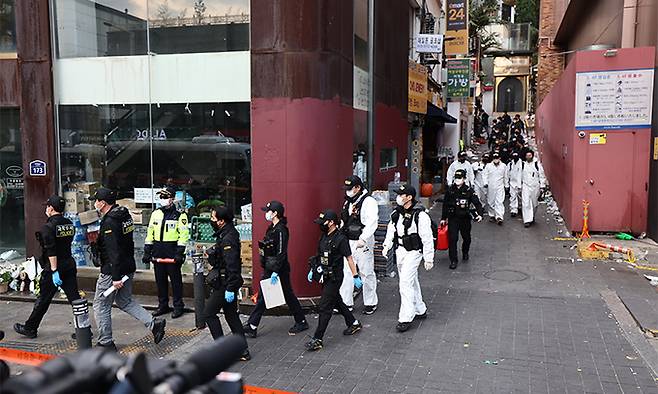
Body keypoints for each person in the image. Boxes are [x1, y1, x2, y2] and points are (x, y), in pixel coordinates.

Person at [91, 188, 166, 351]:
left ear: (102, 203)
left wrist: (116, 277)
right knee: (124, 301)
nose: (94, 203)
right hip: (128, 266)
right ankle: (154, 324)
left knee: (100, 305)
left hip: (113, 271)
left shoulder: (110, 222)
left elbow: (113, 251)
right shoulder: (124, 215)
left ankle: (106, 342)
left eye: (96, 200)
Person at [14, 196, 81, 338]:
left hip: (54, 268)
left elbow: (51, 251)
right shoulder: (69, 223)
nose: (46, 209)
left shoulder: (48, 227)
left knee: (43, 299)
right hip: (69, 264)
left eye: (47, 206)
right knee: (75, 299)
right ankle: (84, 329)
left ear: (51, 208)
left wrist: (54, 270)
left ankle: (30, 328)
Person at [243, 201, 308, 337]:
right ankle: (253, 325)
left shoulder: (281, 230)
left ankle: (253, 325)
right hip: (270, 266)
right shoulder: (272, 228)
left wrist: (275, 271)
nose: (266, 213)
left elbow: (281, 252)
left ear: (275, 213)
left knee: (282, 295)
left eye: (268, 211)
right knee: (267, 295)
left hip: (278, 269)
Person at [305, 210, 363, 351]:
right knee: (336, 300)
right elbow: (319, 255)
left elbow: (349, 258)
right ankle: (353, 322)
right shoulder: (324, 236)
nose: (321, 225)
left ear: (331, 223)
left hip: (335, 277)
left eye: (323, 222)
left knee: (325, 306)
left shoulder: (341, 239)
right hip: (324, 275)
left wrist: (355, 276)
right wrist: (313, 270)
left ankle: (318, 338)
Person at [382, 185, 434, 333]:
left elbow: (427, 238)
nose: (398, 197)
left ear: (409, 197)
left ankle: (406, 317)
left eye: (401, 194)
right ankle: (420, 308)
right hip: (401, 251)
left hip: (414, 252)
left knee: (405, 282)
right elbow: (391, 230)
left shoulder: (420, 215)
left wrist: (428, 258)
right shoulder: (396, 213)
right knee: (411, 281)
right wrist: (386, 246)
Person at [203, 206, 251, 361]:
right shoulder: (226, 233)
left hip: (225, 283)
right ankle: (242, 350)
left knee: (209, 314)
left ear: (222, 221)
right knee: (231, 315)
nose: (211, 220)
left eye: (213, 218)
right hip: (226, 282)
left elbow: (232, 265)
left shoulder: (228, 238)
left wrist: (230, 288)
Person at [144, 186, 190, 319]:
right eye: (161, 197)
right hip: (158, 251)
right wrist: (147, 251)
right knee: (160, 281)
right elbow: (150, 232)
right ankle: (163, 305)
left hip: (172, 251)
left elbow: (184, 235)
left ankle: (178, 306)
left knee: (176, 282)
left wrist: (179, 253)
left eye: (165, 197)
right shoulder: (155, 213)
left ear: (173, 198)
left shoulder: (180, 215)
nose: (162, 200)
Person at [339, 175, 379, 315]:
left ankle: (370, 302)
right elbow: (344, 220)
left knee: (366, 271)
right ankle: (346, 302)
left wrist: (363, 238)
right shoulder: (348, 202)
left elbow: (372, 221)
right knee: (346, 272)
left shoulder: (368, 202)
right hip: (348, 240)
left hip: (362, 241)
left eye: (350, 189)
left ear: (358, 188)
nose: (348, 191)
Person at [440, 170, 483, 269]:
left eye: (460, 178)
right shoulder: (450, 190)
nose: (457, 180)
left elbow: (477, 203)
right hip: (453, 218)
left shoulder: (468, 190)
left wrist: (480, 214)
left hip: (465, 218)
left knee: (466, 238)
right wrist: (443, 218)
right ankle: (453, 260)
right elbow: (445, 205)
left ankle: (465, 252)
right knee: (453, 239)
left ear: (464, 179)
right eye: (456, 178)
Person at [521, 150, 547, 227]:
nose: (528, 157)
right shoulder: (523, 165)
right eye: (527, 156)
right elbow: (520, 175)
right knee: (525, 203)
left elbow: (541, 175)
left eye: (530, 155)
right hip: (526, 186)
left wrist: (542, 186)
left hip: (535, 186)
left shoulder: (537, 164)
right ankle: (527, 220)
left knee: (534, 203)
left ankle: (532, 216)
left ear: (532, 156)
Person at [483, 152, 509, 225]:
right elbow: (485, 175)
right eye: (494, 158)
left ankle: (499, 217)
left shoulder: (503, 166)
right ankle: (492, 215)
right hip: (491, 186)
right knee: (491, 201)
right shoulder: (488, 166)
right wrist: (485, 183)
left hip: (500, 186)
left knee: (499, 201)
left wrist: (506, 185)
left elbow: (506, 176)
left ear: (499, 158)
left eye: (497, 158)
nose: (496, 159)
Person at [507, 152, 523, 218]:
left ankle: (520, 207)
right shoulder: (510, 164)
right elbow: (507, 173)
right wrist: (507, 183)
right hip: (512, 183)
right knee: (513, 196)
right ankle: (513, 210)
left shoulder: (523, 164)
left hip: (521, 183)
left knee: (521, 197)